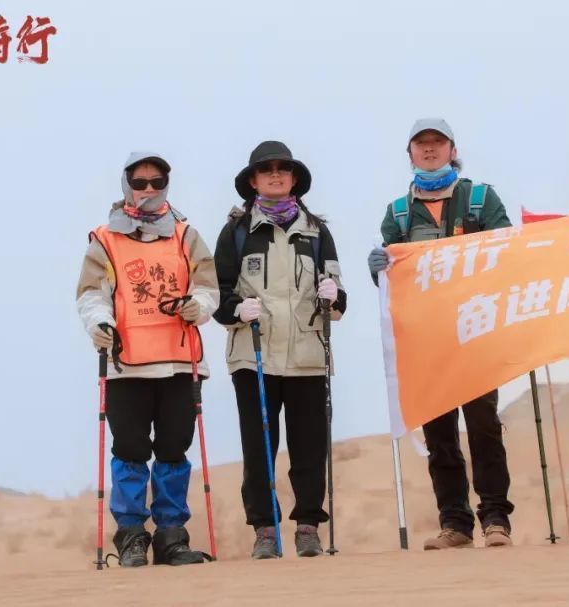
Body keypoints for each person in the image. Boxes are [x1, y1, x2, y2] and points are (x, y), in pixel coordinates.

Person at [367, 118, 515, 549]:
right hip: (426, 339)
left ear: (453, 150)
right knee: (439, 434)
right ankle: (455, 523)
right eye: (421, 144)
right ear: (410, 153)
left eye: (437, 142)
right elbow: (391, 280)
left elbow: (506, 251)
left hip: (475, 331)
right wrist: (377, 268)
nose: (429, 149)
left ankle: (496, 520)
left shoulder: (480, 199)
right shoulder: (397, 212)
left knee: (484, 426)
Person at [76, 151, 219, 566]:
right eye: (140, 183)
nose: (149, 190)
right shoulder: (105, 239)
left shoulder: (185, 234)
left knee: (174, 447)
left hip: (179, 360)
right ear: (127, 186)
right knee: (130, 448)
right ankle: (131, 536)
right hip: (127, 363)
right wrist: (99, 323)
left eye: (157, 182)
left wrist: (198, 305)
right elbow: (91, 293)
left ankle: (172, 537)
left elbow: (207, 285)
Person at [213, 141, 347, 559]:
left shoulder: (317, 232)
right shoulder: (236, 232)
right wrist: (237, 309)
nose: (275, 175)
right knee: (259, 449)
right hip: (253, 357)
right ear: (253, 181)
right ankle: (265, 531)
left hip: (308, 356)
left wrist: (334, 296)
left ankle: (308, 527)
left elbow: (338, 301)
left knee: (309, 448)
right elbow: (217, 296)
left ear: (294, 179)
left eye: (283, 169)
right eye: (266, 169)